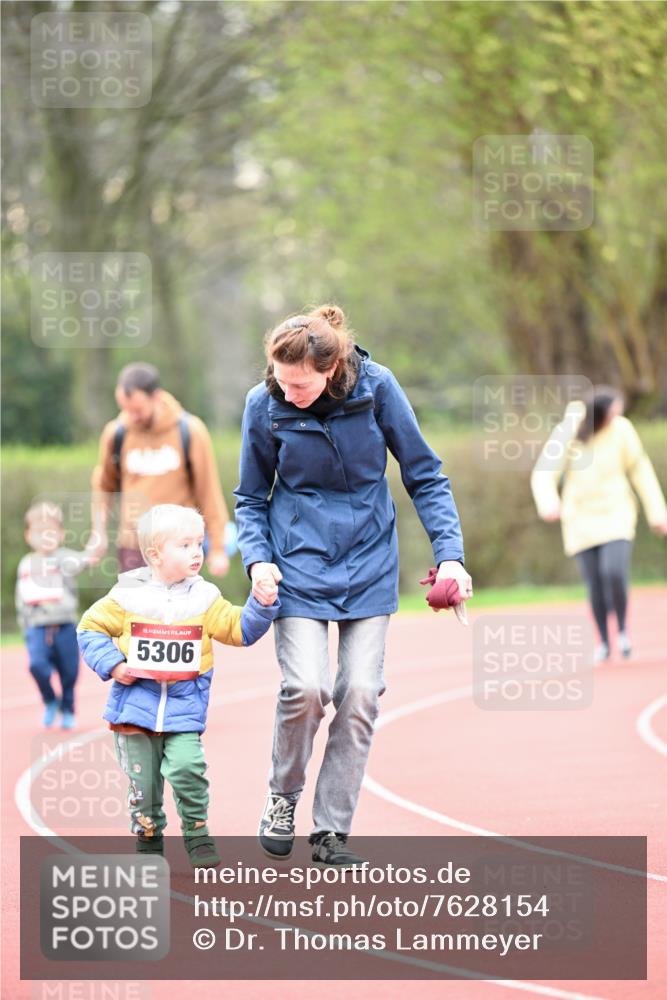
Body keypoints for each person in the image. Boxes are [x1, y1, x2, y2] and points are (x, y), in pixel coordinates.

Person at [234, 304, 471, 868]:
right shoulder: (264, 404)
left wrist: (452, 558)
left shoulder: (378, 387)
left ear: (332, 366)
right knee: (306, 688)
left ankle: (331, 830)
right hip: (298, 562)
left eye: (299, 383)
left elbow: (425, 474)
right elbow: (249, 497)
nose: (286, 391)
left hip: (368, 560)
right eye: (279, 379)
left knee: (361, 692)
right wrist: (257, 560)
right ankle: (282, 798)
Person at [77, 504, 280, 867]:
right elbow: (89, 628)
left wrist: (261, 604)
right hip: (133, 711)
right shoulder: (127, 595)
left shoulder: (205, 597)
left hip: (184, 709)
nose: (197, 552)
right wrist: (114, 664)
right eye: (184, 545)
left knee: (188, 770)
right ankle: (149, 840)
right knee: (145, 788)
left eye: (199, 544)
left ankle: (198, 834)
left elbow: (240, 630)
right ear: (155, 554)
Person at [531, 387, 667, 662]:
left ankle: (624, 631)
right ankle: (604, 640)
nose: (616, 418)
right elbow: (544, 472)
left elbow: (640, 470)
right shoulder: (568, 430)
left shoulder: (622, 430)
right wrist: (549, 503)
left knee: (613, 572)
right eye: (612, 413)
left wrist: (658, 513)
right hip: (580, 518)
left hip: (616, 512)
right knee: (594, 582)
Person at [89, 362, 231, 576]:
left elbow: (208, 490)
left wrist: (218, 547)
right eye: (125, 409)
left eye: (137, 410)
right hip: (133, 546)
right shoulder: (116, 433)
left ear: (156, 396)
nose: (131, 416)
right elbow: (103, 487)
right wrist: (98, 533)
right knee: (134, 609)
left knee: (181, 609)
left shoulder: (190, 431)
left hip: (179, 547)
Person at [16, 501, 99, 729]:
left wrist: (96, 543)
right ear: (28, 535)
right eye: (38, 531)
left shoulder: (62, 558)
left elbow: (86, 559)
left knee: (69, 672)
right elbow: (20, 598)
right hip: (37, 626)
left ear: (60, 535)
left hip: (64, 625)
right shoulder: (26, 564)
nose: (44, 537)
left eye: (50, 531)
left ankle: (68, 708)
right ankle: (51, 700)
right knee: (37, 665)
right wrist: (25, 626)